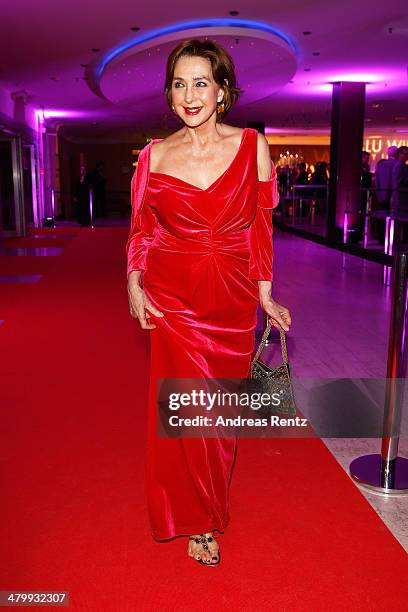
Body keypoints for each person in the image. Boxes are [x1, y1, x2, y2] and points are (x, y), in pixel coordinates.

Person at [126, 38, 291, 567]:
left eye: (201, 82)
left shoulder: (252, 146)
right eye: (179, 83)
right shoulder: (153, 156)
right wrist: (134, 283)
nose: (189, 94)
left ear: (222, 90)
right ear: (170, 94)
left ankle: (207, 500)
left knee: (218, 418)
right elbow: (141, 230)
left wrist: (265, 292)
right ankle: (199, 523)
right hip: (173, 298)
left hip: (232, 300)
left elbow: (261, 227)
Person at [390, 146, 408, 249]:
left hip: (400, 200)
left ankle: (396, 246)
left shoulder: (402, 166)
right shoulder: (399, 166)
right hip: (400, 200)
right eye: (404, 153)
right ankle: (395, 246)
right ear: (399, 154)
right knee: (397, 224)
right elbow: (397, 184)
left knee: (399, 224)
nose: (406, 156)